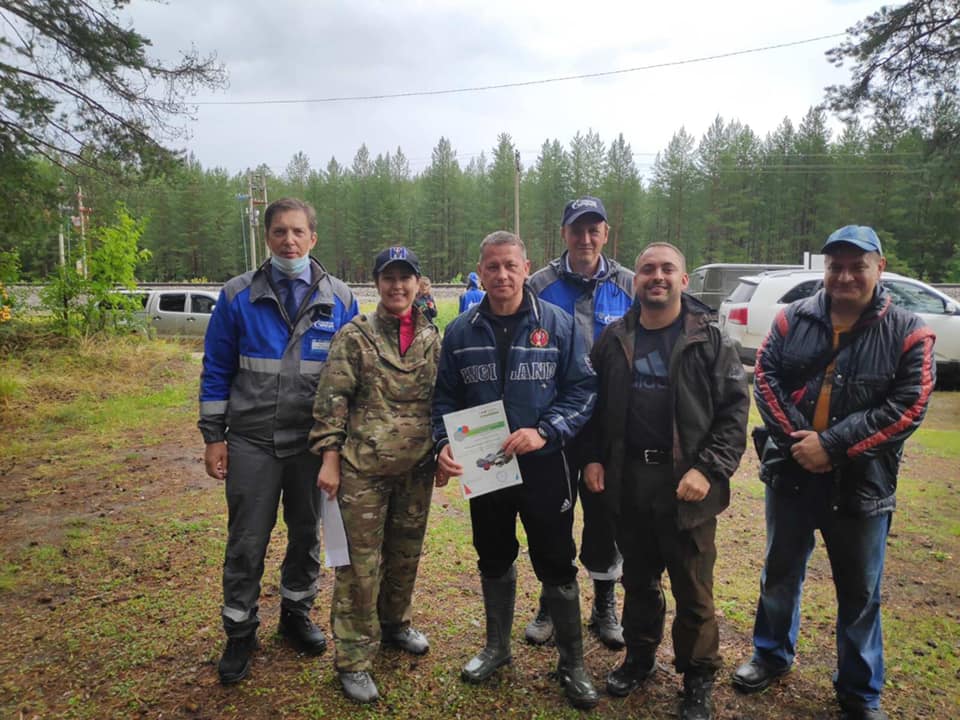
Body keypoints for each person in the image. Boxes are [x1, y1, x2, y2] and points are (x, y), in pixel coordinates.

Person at [732, 226, 936, 720]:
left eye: (857, 265)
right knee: (780, 572)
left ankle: (860, 691)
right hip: (792, 472)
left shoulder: (911, 330)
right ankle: (771, 655)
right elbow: (765, 378)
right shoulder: (790, 320)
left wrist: (832, 446)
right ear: (824, 269)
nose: (844, 275)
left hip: (863, 483)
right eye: (835, 265)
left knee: (861, 591)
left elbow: (909, 406)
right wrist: (804, 444)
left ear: (879, 267)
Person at [580, 242, 749, 720]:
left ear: (684, 279)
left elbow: (735, 412)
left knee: (693, 588)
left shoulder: (709, 339)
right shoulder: (614, 339)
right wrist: (593, 458)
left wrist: (708, 468)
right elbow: (592, 406)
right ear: (635, 281)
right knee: (638, 579)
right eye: (648, 269)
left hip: (688, 485)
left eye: (667, 269)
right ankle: (639, 659)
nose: (657, 276)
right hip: (630, 480)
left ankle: (697, 678)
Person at [432, 231, 600, 710]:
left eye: (510, 265)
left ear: (527, 269)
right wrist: (443, 443)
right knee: (493, 555)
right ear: (479, 272)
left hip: (545, 466)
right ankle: (497, 647)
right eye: (492, 267)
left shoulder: (560, 325)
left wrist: (546, 432)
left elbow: (584, 390)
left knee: (556, 559)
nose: (501, 275)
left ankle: (572, 662)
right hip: (486, 469)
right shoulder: (460, 331)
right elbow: (444, 399)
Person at [198, 198, 358, 685]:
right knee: (247, 541)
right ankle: (240, 628)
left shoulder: (341, 298)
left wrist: (340, 443)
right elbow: (217, 368)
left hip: (313, 446)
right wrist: (213, 437)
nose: (289, 241)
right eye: (279, 232)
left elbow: (351, 376)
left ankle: (295, 612)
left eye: (297, 232)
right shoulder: (236, 296)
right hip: (251, 441)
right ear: (267, 237)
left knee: (307, 534)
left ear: (314, 238)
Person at [310, 246, 440, 704]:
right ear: (377, 283)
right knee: (359, 568)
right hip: (363, 471)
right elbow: (332, 400)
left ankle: (395, 624)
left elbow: (442, 401)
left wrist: (444, 451)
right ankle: (353, 659)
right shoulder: (356, 335)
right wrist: (329, 458)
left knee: (404, 556)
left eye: (406, 278)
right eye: (389, 278)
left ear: (418, 283)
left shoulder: (429, 336)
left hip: (416, 470)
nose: (397, 286)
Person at [526, 195, 635, 649]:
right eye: (577, 229)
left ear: (606, 234)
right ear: (564, 233)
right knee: (552, 517)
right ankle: (551, 601)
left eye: (595, 229)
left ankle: (604, 603)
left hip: (610, 427)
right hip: (553, 422)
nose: (586, 238)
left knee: (606, 519)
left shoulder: (631, 284)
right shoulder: (539, 284)